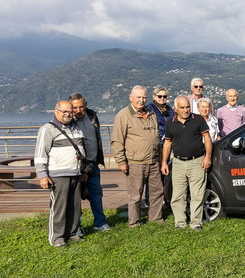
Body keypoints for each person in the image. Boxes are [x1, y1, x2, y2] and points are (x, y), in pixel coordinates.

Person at [35, 101, 86, 247]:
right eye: (64, 111)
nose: (68, 114)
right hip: (58, 174)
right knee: (59, 208)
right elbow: (40, 154)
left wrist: (83, 170)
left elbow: (81, 149)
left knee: (75, 207)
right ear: (56, 111)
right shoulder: (47, 129)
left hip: (76, 173)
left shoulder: (76, 127)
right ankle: (57, 238)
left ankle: (72, 233)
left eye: (70, 112)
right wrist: (42, 174)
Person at [111, 85, 164, 227]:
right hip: (135, 162)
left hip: (153, 161)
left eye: (144, 97)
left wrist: (159, 158)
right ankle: (134, 222)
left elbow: (156, 136)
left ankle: (156, 218)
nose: (141, 100)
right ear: (131, 98)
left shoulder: (151, 113)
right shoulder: (123, 115)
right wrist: (121, 161)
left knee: (157, 192)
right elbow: (117, 140)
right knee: (135, 195)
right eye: (138, 97)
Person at [161, 96, 212, 230]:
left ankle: (196, 223)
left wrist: (208, 157)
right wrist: (164, 163)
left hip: (197, 161)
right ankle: (180, 223)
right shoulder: (170, 123)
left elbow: (207, 138)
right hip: (178, 162)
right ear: (175, 108)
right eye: (182, 107)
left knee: (197, 194)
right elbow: (167, 143)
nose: (185, 110)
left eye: (187, 107)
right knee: (178, 195)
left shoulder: (198, 119)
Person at [68, 93, 110, 232]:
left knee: (96, 195)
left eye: (81, 107)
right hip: (77, 167)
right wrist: (81, 168)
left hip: (93, 164)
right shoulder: (68, 122)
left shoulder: (92, 116)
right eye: (75, 108)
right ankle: (76, 226)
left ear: (85, 105)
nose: (78, 110)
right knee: (75, 198)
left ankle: (100, 223)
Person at [145, 85, 176, 207]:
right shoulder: (150, 108)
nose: (162, 98)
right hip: (157, 144)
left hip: (168, 144)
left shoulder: (169, 109)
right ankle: (149, 199)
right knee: (154, 173)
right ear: (154, 97)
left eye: (164, 96)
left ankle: (163, 197)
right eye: (160, 96)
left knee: (164, 171)